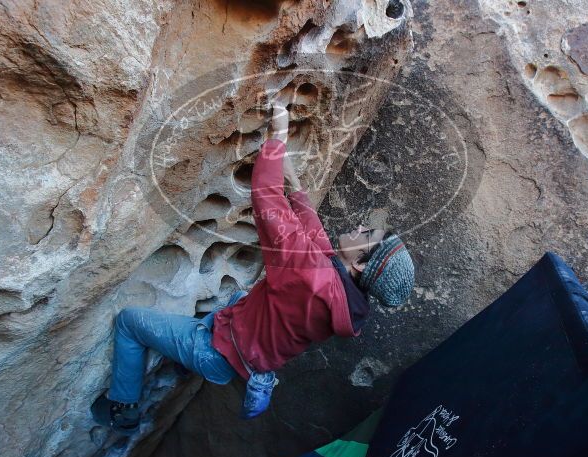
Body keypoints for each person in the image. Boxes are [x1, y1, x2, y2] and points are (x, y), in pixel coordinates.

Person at [91, 101, 415, 434]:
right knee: (238, 297)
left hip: (215, 351)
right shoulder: (344, 299)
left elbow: (266, 197)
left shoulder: (314, 277)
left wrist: (278, 136)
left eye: (368, 235)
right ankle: (180, 362)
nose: (361, 228)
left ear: (360, 265)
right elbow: (315, 242)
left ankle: (123, 409)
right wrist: (296, 184)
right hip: (247, 350)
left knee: (129, 323)